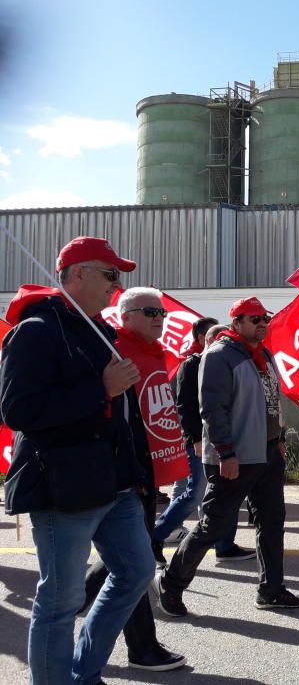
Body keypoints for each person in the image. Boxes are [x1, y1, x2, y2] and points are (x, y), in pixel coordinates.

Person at [0, 237, 162, 683]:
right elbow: (18, 412)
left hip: (115, 484)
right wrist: (100, 390)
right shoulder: (35, 331)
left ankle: (82, 672)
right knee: (59, 600)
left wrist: (139, 476)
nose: (117, 284)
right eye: (110, 274)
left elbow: (121, 417)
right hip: (64, 489)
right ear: (78, 275)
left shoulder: (100, 331)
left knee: (136, 572)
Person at [154, 296, 299, 616]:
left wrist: (278, 437)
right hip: (234, 455)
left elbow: (271, 400)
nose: (262, 323)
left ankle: (271, 590)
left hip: (265, 453)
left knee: (271, 520)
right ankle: (171, 582)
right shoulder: (220, 355)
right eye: (254, 319)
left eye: (264, 318)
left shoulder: (262, 354)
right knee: (213, 525)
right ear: (236, 322)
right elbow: (212, 408)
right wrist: (225, 452)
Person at [81, 287, 191, 673]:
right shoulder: (114, 349)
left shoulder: (153, 352)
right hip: (126, 473)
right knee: (134, 564)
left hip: (143, 473)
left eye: (161, 311)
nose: (160, 317)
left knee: (130, 561)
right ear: (124, 316)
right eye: (149, 312)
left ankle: (84, 598)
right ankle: (141, 646)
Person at [155, 318, 255, 564]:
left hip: (227, 440)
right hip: (202, 442)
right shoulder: (192, 364)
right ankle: (155, 536)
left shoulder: (229, 363)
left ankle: (225, 546)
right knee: (193, 494)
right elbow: (185, 406)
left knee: (229, 493)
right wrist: (193, 439)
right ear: (206, 340)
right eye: (221, 339)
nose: (227, 344)